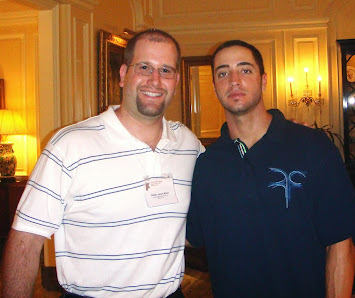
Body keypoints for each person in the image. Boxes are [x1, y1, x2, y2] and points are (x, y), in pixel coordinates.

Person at [1, 28, 204, 298]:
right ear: (123, 75)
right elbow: (26, 239)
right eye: (144, 67)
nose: (155, 80)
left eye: (165, 70)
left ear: (176, 81)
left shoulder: (187, 145)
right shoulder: (70, 146)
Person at [186, 40, 355, 298]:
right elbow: (191, 235)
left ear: (263, 80)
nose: (234, 80)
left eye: (245, 70)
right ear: (214, 86)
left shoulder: (313, 147)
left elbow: (340, 245)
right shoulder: (206, 164)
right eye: (223, 73)